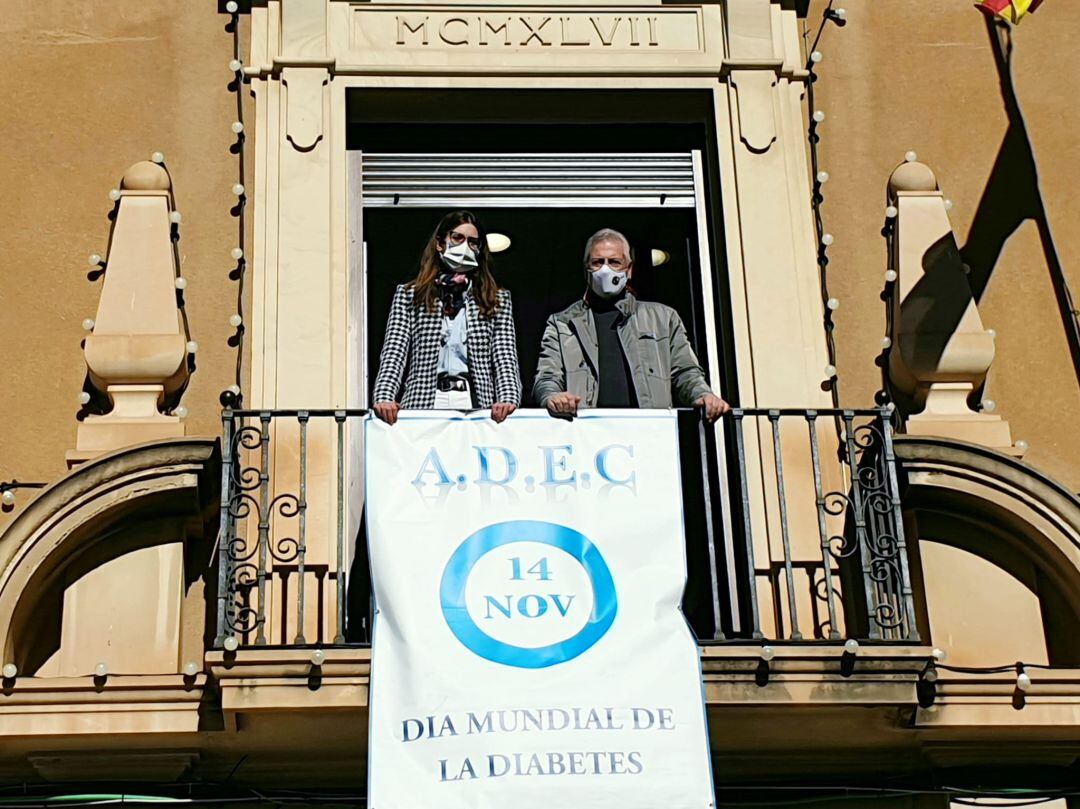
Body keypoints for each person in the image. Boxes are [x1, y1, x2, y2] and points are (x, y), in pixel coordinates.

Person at [533, 228, 730, 421]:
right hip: (587, 436)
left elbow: (685, 372)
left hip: (648, 433)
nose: (605, 269)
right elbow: (547, 377)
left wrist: (703, 395)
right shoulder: (562, 323)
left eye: (614, 262)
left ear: (629, 270)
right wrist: (552, 397)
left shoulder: (663, 318)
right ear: (586, 270)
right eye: (597, 262)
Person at [373, 211, 521, 424]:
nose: (465, 247)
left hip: (476, 403)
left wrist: (508, 400)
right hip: (425, 401)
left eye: (473, 242)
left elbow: (505, 356)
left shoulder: (496, 299)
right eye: (457, 238)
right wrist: (385, 397)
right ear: (440, 243)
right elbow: (394, 352)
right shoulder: (410, 296)